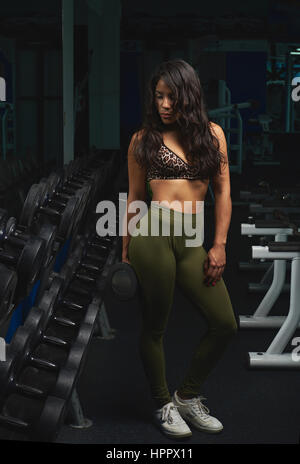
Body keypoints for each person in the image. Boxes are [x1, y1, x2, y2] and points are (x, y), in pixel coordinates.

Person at [122, 59, 238, 439]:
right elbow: (135, 198)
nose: (164, 104)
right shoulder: (143, 140)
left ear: (189, 95)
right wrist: (126, 249)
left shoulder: (213, 135)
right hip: (152, 234)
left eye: (172, 96)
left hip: (193, 239)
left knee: (224, 323)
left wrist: (219, 245)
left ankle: (187, 395)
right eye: (159, 96)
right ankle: (162, 403)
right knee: (156, 326)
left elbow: (223, 195)